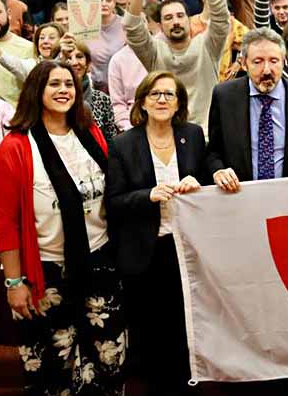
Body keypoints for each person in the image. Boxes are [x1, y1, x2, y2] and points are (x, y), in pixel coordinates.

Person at [0, 60, 124, 395]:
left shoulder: (89, 131)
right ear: (37, 90)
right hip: (45, 271)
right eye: (54, 84)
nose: (64, 90)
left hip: (100, 259)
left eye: (69, 84)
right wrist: (14, 281)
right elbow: (5, 222)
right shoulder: (16, 146)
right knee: (56, 361)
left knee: (109, 356)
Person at [106, 71, 205, 395]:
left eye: (169, 95)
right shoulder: (124, 143)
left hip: (185, 250)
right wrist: (146, 195)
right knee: (150, 332)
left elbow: (208, 186)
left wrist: (198, 185)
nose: (162, 100)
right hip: (144, 252)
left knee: (183, 328)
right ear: (143, 102)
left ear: (179, 104)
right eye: (155, 94)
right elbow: (114, 202)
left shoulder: (193, 135)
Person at [125, 0, 230, 134]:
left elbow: (221, 13)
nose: (175, 22)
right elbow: (132, 26)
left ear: (189, 20)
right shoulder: (154, 52)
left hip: (207, 136)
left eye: (180, 16)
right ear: (160, 25)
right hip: (167, 136)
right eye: (168, 18)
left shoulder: (208, 46)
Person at [207, 28, 288, 190]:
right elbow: (213, 152)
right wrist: (218, 171)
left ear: (284, 60)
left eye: (274, 61)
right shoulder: (224, 96)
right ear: (243, 63)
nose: (267, 70)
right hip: (239, 197)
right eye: (257, 62)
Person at [64, 41, 117, 140]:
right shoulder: (58, 99)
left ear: (88, 64)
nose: (74, 63)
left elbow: (111, 138)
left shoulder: (102, 99)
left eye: (79, 57)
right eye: (69, 58)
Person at [86, 0, 127, 92]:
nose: (104, 4)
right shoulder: (83, 27)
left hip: (121, 86)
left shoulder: (125, 25)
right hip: (94, 88)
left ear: (114, 3)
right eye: (99, 0)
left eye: (108, 0)